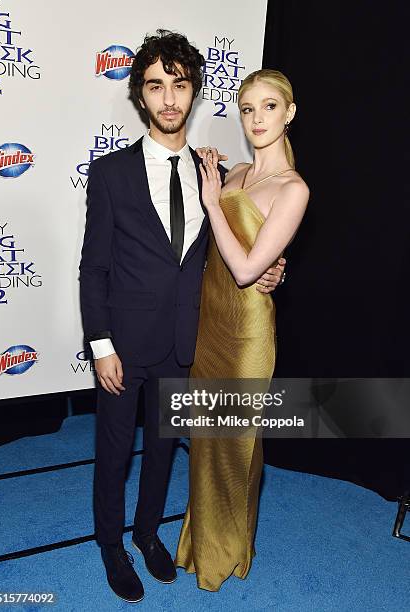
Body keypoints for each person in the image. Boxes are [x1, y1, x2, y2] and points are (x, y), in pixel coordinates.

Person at [78, 31, 286, 603]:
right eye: (155, 86)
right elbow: (93, 267)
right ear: (140, 97)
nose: (169, 99)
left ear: (193, 93)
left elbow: (236, 250)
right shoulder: (112, 173)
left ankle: (147, 534)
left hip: (184, 341)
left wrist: (270, 272)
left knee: (163, 450)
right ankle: (110, 544)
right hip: (122, 343)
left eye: (180, 85)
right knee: (115, 450)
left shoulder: (214, 174)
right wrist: (100, 345)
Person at [175, 69, 309, 591]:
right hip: (209, 324)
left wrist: (214, 203)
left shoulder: (293, 188)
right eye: (247, 108)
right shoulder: (233, 177)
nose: (256, 119)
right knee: (205, 438)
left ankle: (227, 551)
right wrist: (216, 190)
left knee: (238, 443)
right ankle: (199, 541)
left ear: (289, 113)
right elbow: (217, 253)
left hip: (248, 332)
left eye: (268, 107)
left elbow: (249, 270)